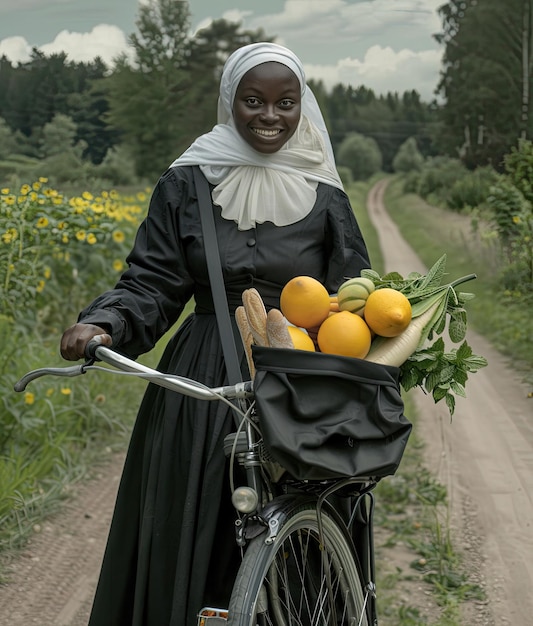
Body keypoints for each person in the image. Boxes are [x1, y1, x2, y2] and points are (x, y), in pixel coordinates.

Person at [60, 42, 371, 626]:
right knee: (193, 523)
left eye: (286, 102)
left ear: (303, 106)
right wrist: (106, 322)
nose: (270, 116)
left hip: (300, 381)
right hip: (201, 384)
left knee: (305, 532)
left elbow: (355, 295)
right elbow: (152, 281)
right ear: (231, 101)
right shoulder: (187, 181)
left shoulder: (325, 193)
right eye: (253, 101)